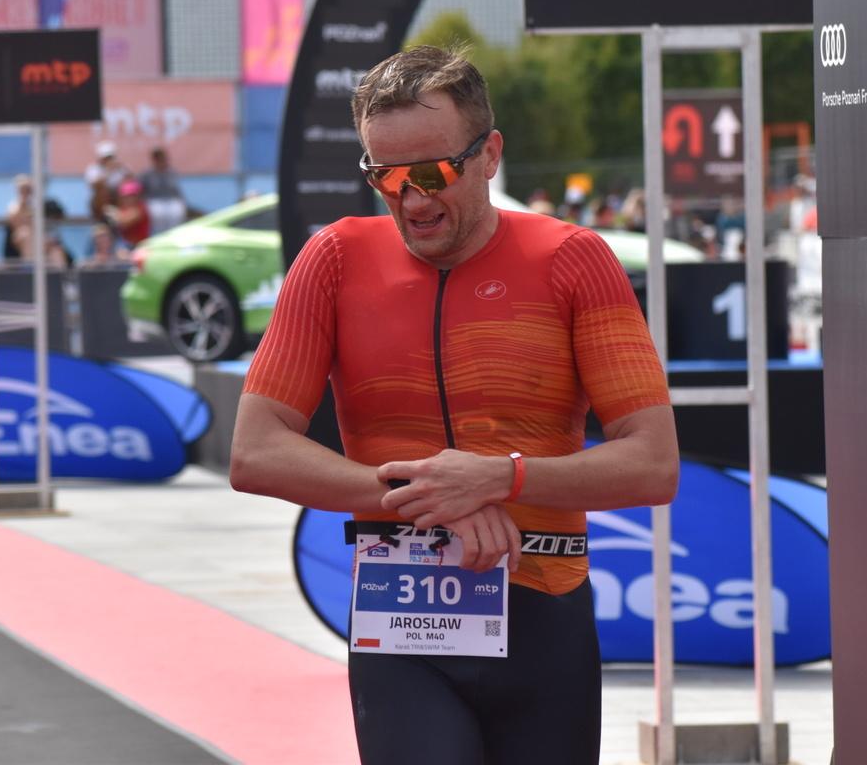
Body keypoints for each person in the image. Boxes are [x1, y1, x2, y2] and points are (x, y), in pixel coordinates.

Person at [229, 45, 678, 765]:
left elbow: (653, 464)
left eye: (435, 172)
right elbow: (254, 452)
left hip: (544, 615)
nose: (413, 200)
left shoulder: (572, 259)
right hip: (402, 625)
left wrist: (500, 477)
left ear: (490, 154)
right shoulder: (335, 260)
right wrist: (429, 497)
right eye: (386, 176)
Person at [140, 146, 189, 234]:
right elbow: (142, 190)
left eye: (162, 158)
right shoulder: (147, 174)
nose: (161, 161)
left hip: (171, 200)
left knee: (176, 213)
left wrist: (182, 202)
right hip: (154, 200)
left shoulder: (172, 172)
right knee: (158, 215)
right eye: (158, 159)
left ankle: (174, 235)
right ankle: (160, 236)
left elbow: (177, 190)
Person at [85, 140, 128, 223]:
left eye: (110, 157)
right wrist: (108, 171)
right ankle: (105, 219)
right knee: (103, 192)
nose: (108, 160)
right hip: (99, 203)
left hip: (117, 199)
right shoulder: (93, 169)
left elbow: (131, 184)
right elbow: (95, 186)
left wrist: (122, 169)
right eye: (106, 157)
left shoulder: (120, 168)